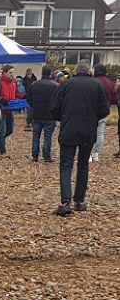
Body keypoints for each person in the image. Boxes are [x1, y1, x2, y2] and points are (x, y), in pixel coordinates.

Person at [50, 61, 110, 216]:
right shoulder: (96, 85)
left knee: (66, 165)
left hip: (69, 127)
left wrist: (63, 118)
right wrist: (92, 118)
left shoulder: (66, 84)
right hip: (88, 130)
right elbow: (105, 109)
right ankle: (80, 200)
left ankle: (65, 201)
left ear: (75, 71)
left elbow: (54, 107)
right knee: (83, 165)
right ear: (89, 71)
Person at [26, 66, 58, 163]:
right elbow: (58, 100)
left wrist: (34, 106)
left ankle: (35, 155)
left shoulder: (34, 84)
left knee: (36, 135)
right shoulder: (55, 86)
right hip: (50, 114)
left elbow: (29, 99)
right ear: (50, 73)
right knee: (48, 136)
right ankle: (46, 156)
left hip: (37, 113)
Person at [91, 64, 115, 162]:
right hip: (105, 109)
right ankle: (96, 153)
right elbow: (114, 98)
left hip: (93, 110)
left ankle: (89, 153)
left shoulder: (94, 82)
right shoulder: (109, 82)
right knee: (100, 132)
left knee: (91, 132)